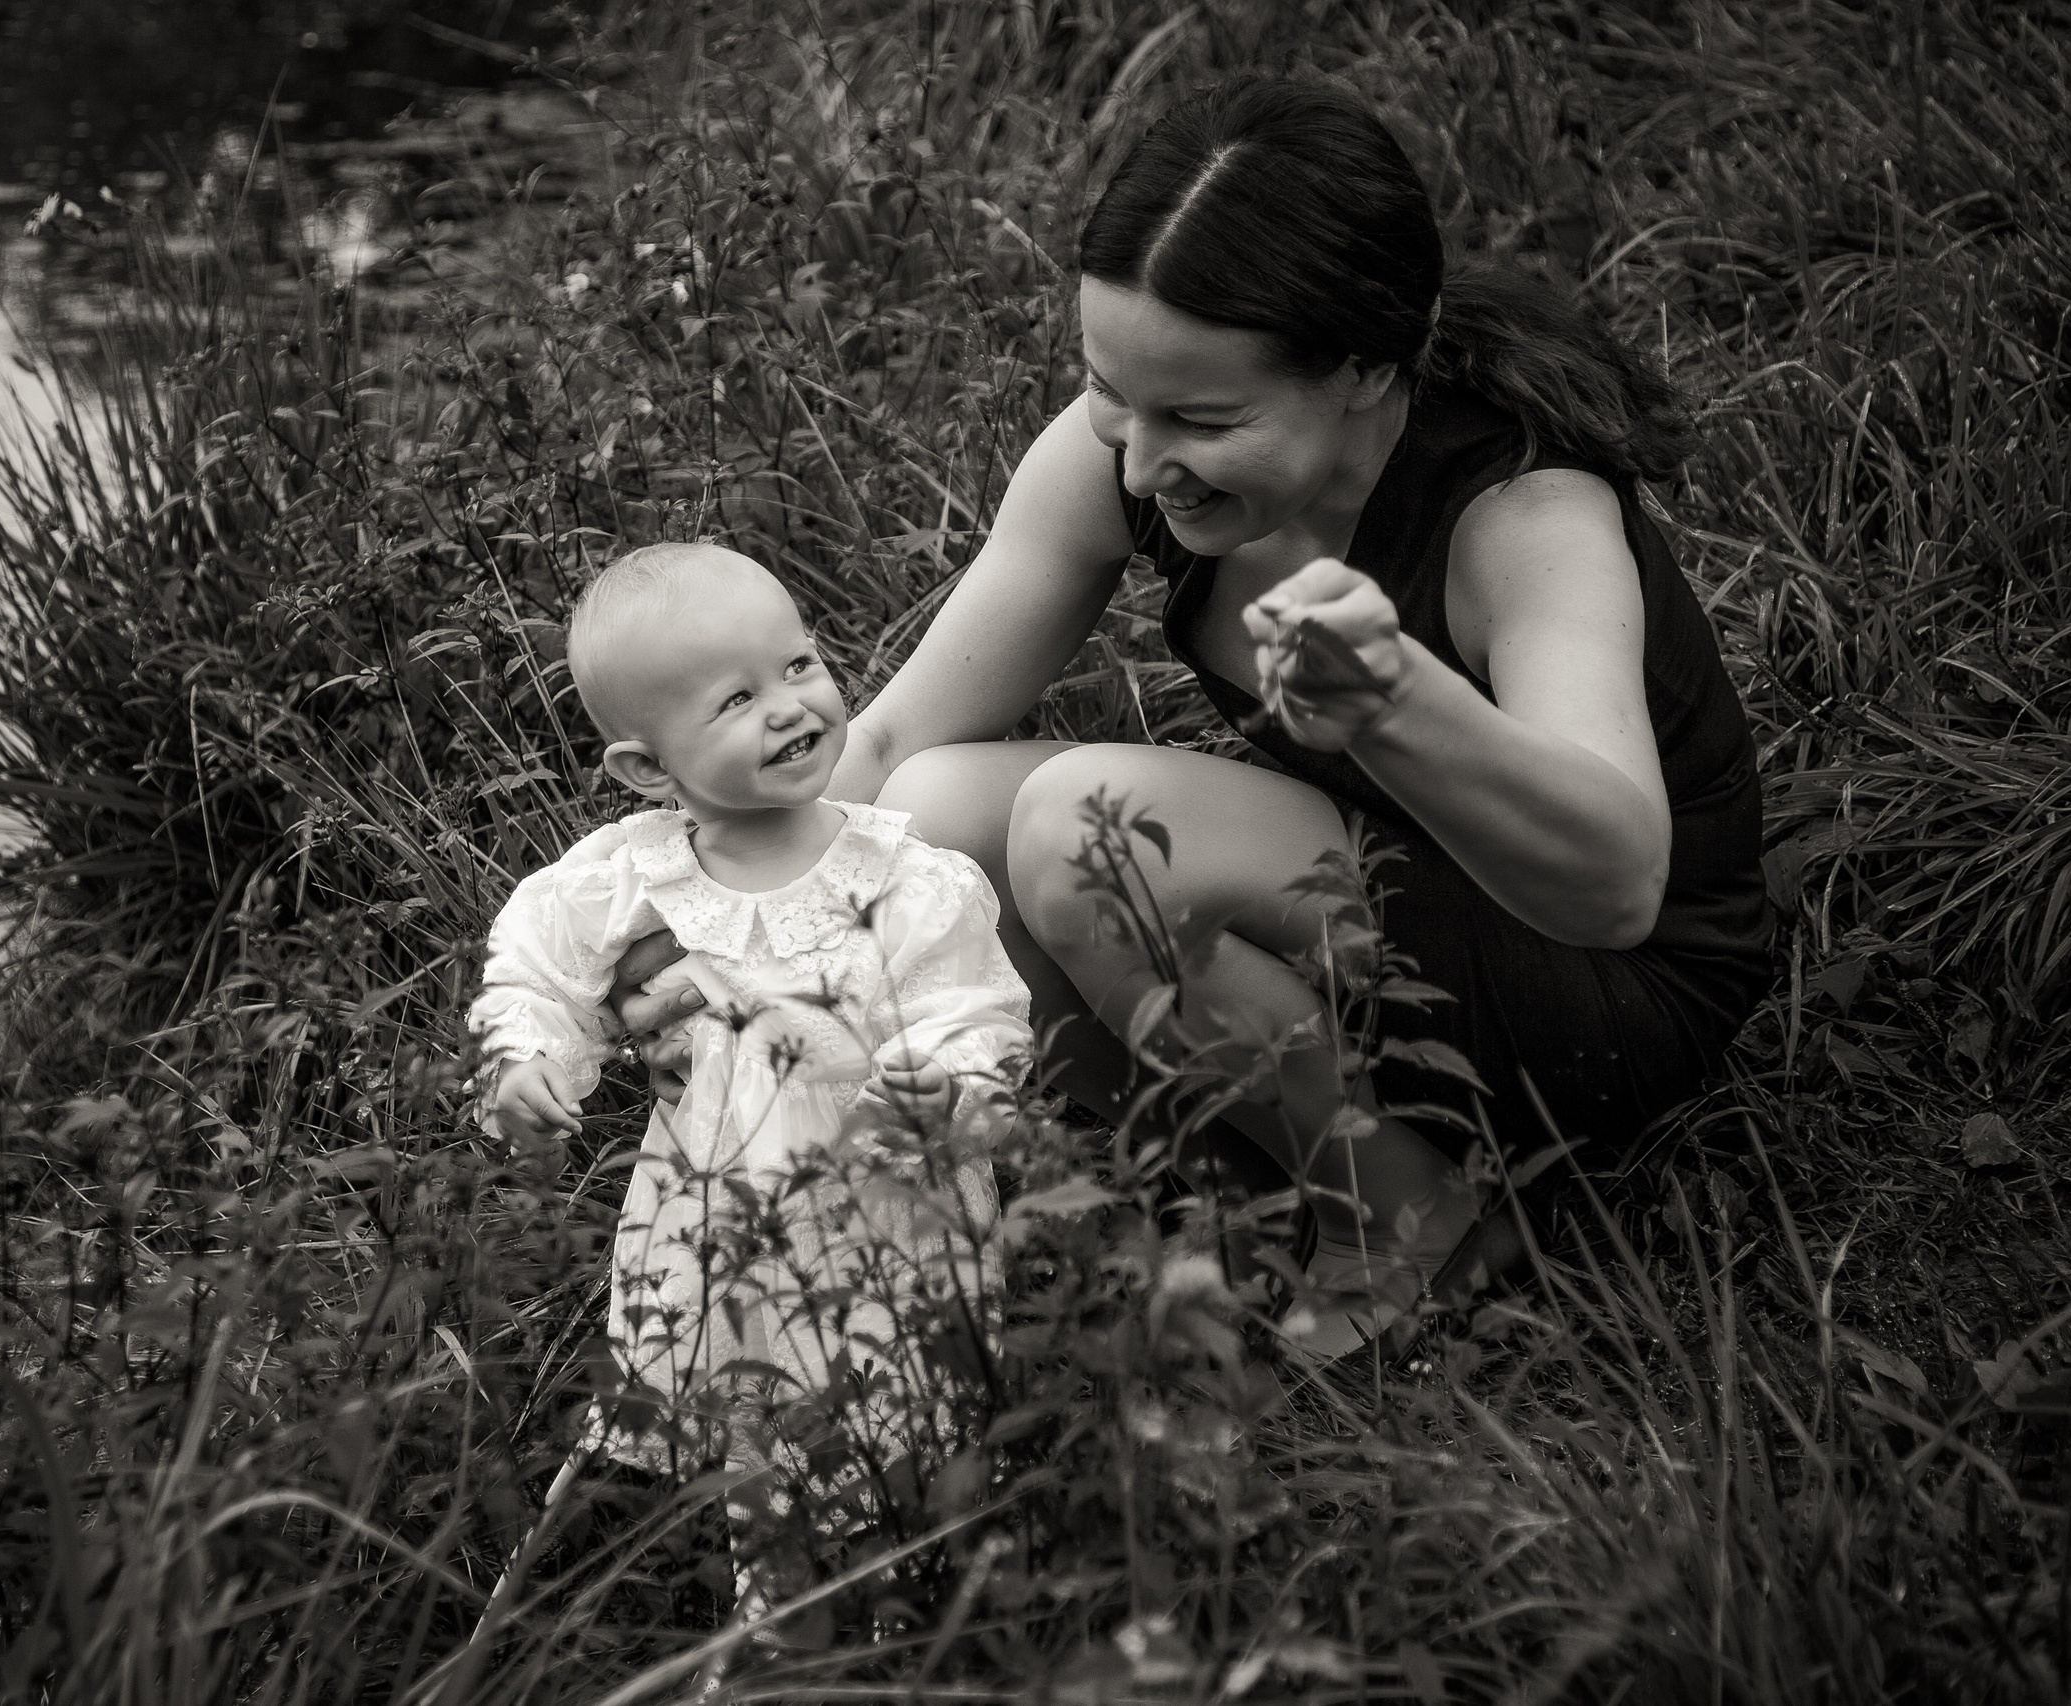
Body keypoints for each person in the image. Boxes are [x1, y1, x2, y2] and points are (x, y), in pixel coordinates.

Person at [606, 75, 1774, 1360]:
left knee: (1078, 828)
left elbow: (1616, 884)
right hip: (1392, 903)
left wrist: (1397, 700)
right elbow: (881, 750)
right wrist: (723, 933)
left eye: (1205, 419)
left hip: (1606, 987)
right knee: (931, 816)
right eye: (1112, 389)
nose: (1143, 462)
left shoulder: (1522, 519)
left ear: (1370, 364)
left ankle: (1407, 1219)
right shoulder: (1127, 449)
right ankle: (1251, 1184)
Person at [471, 540, 1030, 1469]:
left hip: (887, 1190)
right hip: (716, 1197)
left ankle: (915, 1567)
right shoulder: (637, 873)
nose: (790, 706)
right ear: (649, 769)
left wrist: (950, 1083)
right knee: (747, 1377)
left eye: (800, 665)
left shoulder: (902, 875)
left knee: (897, 1380)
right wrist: (525, 1057)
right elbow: (534, 966)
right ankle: (767, 1570)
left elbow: (973, 1007)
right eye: (737, 700)